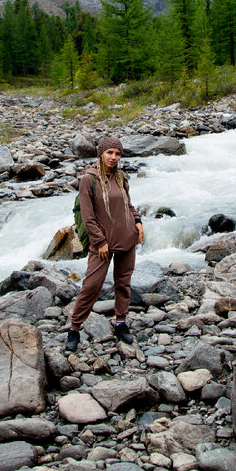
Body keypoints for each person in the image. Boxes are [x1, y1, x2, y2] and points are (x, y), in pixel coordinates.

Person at [67, 136, 144, 350]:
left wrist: (138, 222)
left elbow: (128, 205)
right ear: (101, 153)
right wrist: (100, 242)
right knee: (91, 286)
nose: (113, 157)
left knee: (123, 282)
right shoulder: (89, 180)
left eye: (117, 154)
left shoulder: (121, 178)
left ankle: (121, 323)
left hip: (127, 238)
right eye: (110, 152)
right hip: (102, 243)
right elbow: (88, 216)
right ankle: (74, 329)